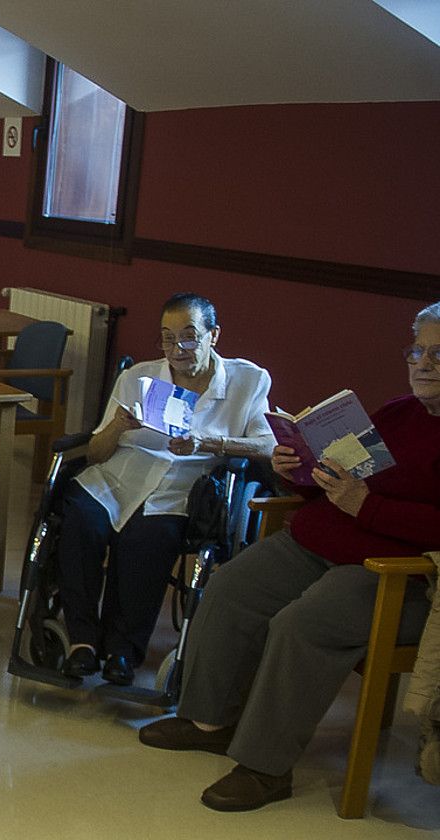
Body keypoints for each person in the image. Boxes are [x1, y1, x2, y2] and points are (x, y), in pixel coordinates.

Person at [139, 301, 440, 812]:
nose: (424, 363)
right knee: (231, 586)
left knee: (302, 623)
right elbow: (335, 485)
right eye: (418, 350)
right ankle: (209, 719)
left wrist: (367, 507)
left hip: (396, 575)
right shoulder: (397, 412)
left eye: (439, 354)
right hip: (320, 539)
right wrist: (296, 471)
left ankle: (265, 766)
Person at [56, 293, 274, 686]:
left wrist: (208, 443)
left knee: (147, 537)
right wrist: (118, 426)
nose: (177, 349)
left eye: (189, 338)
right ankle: (82, 642)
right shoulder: (138, 377)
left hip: (182, 486)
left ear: (214, 336)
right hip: (117, 477)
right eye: (168, 339)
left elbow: (268, 445)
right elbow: (96, 453)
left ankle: (123, 650)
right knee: (80, 521)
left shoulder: (248, 381)